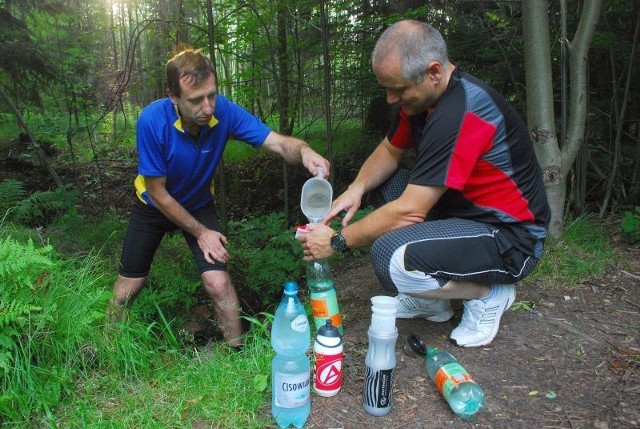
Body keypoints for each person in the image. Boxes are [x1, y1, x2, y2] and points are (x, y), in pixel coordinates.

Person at [298, 20, 550, 348]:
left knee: (391, 257)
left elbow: (411, 211)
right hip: (462, 212)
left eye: (398, 89)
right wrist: (356, 189)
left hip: (511, 238)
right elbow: (390, 150)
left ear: (433, 71)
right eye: (387, 88)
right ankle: (434, 301)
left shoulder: (460, 113)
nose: (390, 98)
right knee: (378, 186)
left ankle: (488, 292)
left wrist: (337, 241)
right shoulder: (420, 100)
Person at [107, 48, 330, 349]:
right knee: (128, 288)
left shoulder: (222, 111)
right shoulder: (151, 121)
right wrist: (201, 234)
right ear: (172, 96)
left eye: (211, 95)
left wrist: (304, 150)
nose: (208, 107)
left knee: (218, 283)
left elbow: (276, 142)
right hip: (153, 205)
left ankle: (235, 354)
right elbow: (158, 192)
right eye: (196, 100)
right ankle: (107, 347)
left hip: (198, 203)